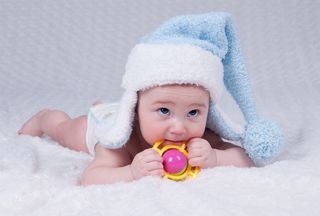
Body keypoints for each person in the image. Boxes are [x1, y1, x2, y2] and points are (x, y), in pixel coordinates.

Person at [18, 12, 282, 185]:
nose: (179, 127)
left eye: (193, 113)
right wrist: (131, 172)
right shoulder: (119, 141)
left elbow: (244, 159)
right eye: (164, 111)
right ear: (135, 108)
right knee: (66, 130)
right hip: (102, 123)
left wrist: (216, 157)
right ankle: (45, 117)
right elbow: (91, 177)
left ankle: (105, 103)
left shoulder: (198, 139)